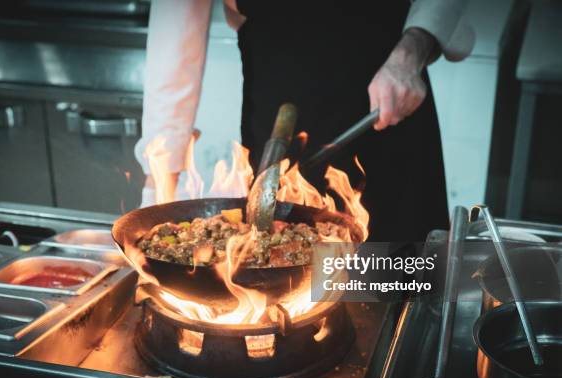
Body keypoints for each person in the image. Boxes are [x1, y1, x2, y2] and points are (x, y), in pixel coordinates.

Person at [135, 0, 474, 242]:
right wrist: (158, 180)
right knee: (290, 287)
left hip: (389, 95)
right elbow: (175, 25)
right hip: (276, 93)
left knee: (396, 287)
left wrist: (411, 52)